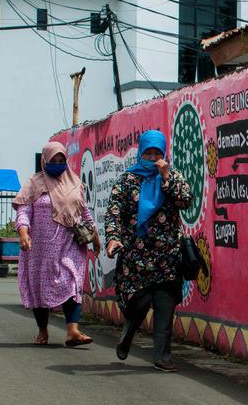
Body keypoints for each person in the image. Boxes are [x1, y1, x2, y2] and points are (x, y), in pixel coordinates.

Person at [105, 129, 192, 372]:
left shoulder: (172, 176)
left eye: (158, 153)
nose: (153, 158)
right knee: (139, 304)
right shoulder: (127, 180)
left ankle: (162, 357)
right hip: (136, 257)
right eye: (148, 153)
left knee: (165, 308)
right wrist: (113, 239)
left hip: (167, 256)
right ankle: (129, 331)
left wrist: (167, 179)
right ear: (141, 153)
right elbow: (114, 214)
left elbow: (185, 201)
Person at [13, 141, 101, 346]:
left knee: (72, 283)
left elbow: (84, 212)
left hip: (69, 244)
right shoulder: (34, 184)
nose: (59, 164)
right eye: (54, 160)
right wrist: (24, 233)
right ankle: (42, 331)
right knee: (40, 288)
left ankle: (73, 331)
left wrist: (95, 238)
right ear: (45, 160)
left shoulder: (74, 183)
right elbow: (24, 211)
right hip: (39, 249)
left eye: (62, 160)